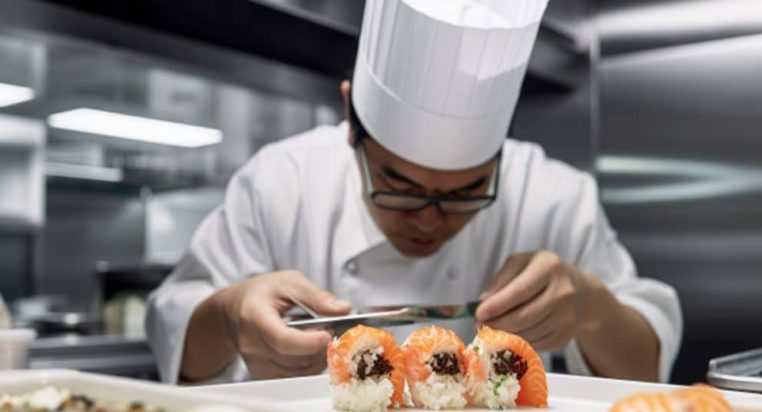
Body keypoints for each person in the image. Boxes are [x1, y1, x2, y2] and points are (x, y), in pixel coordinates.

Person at [147, 0, 682, 385]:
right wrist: (228, 318)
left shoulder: (553, 196)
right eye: (399, 186)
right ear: (351, 122)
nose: (428, 220)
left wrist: (590, 310)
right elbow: (176, 341)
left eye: (466, 191)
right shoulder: (280, 181)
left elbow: (645, 371)